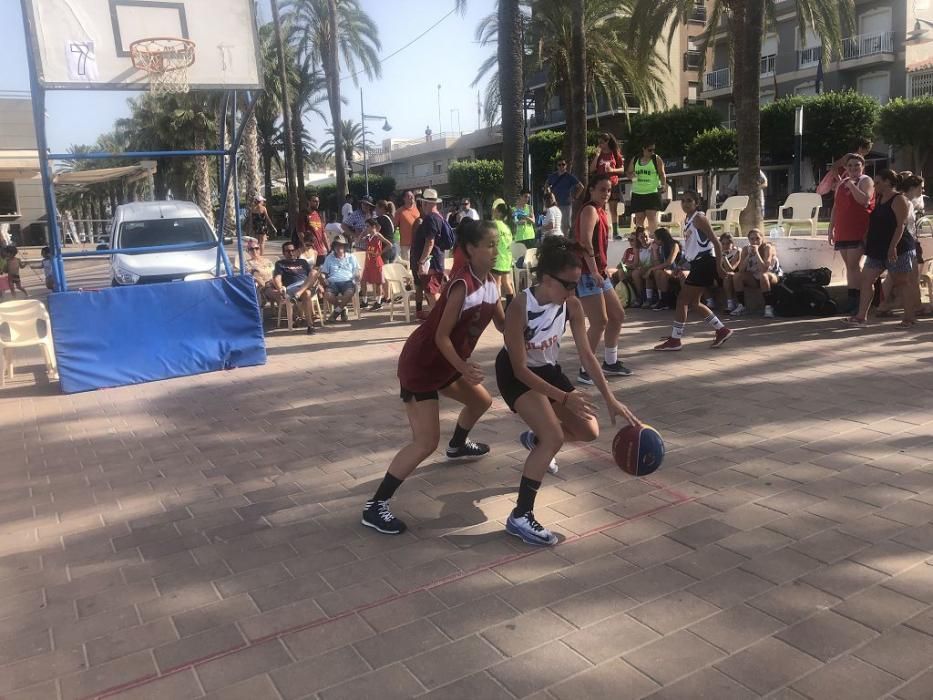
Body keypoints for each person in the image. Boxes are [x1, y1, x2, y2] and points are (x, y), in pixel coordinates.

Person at [362, 219, 505, 535]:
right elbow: (441, 337)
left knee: (481, 401)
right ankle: (375, 506)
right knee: (426, 442)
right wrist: (464, 367)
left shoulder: (492, 283)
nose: (497, 250)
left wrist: (534, 320)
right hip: (422, 365)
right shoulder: (461, 285)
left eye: (497, 244)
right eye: (491, 245)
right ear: (470, 249)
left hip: (447, 365)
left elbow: (504, 326)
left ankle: (457, 446)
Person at [497, 235, 635, 545]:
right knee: (555, 437)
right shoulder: (521, 305)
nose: (575, 292)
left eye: (577, 285)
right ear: (547, 279)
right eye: (569, 285)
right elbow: (520, 368)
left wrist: (610, 398)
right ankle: (520, 516)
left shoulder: (570, 305)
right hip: (517, 374)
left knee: (589, 431)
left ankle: (535, 439)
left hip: (547, 371)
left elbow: (587, 354)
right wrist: (565, 397)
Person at [655, 191, 733, 351]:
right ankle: (721, 330)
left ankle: (675, 340)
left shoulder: (699, 218)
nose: (685, 204)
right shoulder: (688, 220)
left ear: (697, 203)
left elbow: (716, 243)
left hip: (705, 263)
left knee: (682, 301)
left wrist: (719, 267)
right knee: (694, 302)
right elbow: (692, 248)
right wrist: (681, 265)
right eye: (682, 201)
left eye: (689, 201)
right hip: (697, 263)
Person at [572, 173, 632, 383]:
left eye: (608, 190)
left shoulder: (601, 211)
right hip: (589, 273)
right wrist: (595, 270)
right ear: (591, 190)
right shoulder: (589, 210)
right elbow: (586, 243)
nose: (606, 193)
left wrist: (602, 269)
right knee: (599, 321)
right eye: (602, 190)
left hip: (599, 272)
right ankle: (585, 369)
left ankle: (610, 361)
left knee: (617, 315)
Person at [845, 170, 916, 328]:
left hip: (898, 247)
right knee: (866, 279)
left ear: (888, 182)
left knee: (901, 282)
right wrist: (866, 237)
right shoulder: (879, 198)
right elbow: (875, 220)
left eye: (877, 182)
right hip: (877, 248)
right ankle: (861, 316)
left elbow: (900, 226)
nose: (874, 186)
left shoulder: (899, 199)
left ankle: (909, 317)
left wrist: (893, 247)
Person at [828, 153, 874, 314]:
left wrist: (853, 186)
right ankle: (852, 298)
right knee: (849, 267)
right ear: (846, 167)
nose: (853, 168)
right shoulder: (841, 183)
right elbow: (836, 207)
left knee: (854, 265)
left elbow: (864, 200)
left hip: (858, 229)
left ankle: (860, 300)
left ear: (863, 166)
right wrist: (831, 227)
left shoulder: (866, 181)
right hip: (842, 229)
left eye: (857, 165)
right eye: (850, 166)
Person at [411, 188, 447, 320]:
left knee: (432, 293)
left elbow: (429, 242)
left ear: (425, 203)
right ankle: (438, 321)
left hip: (431, 263)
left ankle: (443, 321)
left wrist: (421, 262)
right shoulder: (439, 217)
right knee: (432, 291)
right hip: (437, 260)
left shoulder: (430, 218)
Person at [731, 229, 783, 318]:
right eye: (752, 239)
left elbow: (764, 269)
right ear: (748, 240)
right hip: (754, 277)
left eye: (757, 238)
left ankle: (768, 307)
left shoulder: (767, 248)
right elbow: (741, 270)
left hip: (771, 275)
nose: (755, 241)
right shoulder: (746, 249)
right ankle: (741, 306)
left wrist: (757, 253)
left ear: (762, 238)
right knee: (737, 276)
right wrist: (748, 256)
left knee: (763, 276)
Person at [272, 242, 318, 335]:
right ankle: (310, 326)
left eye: (293, 250)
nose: (291, 253)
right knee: (307, 294)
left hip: (306, 284)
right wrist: (280, 287)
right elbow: (277, 278)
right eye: (288, 251)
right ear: (283, 253)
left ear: (296, 251)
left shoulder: (303, 262)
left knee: (314, 272)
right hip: (292, 288)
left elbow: (312, 276)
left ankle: (298, 294)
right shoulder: (280, 264)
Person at [590, 134, 626, 240]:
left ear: (607, 142)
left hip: (612, 183)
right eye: (599, 142)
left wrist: (612, 170)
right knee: (601, 209)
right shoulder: (599, 155)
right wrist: (597, 155)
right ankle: (602, 231)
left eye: (602, 142)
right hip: (601, 184)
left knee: (613, 209)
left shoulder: (615, 154)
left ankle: (615, 231)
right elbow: (591, 169)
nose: (600, 145)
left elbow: (622, 169)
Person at [627, 142, 667, 235]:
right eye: (649, 150)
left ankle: (653, 239)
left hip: (652, 192)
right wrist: (632, 176)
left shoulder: (656, 159)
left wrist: (663, 185)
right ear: (643, 149)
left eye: (653, 150)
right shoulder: (635, 159)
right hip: (638, 192)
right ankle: (640, 241)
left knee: (651, 216)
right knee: (639, 218)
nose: (652, 152)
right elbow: (629, 172)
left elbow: (662, 173)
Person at [319, 234, 360, 323]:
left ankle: (335, 313)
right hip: (333, 282)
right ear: (334, 246)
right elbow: (324, 272)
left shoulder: (351, 257)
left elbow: (357, 270)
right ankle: (342, 309)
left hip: (347, 281)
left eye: (341, 245)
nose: (339, 247)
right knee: (327, 295)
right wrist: (322, 278)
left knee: (349, 293)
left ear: (345, 246)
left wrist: (357, 276)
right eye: (337, 245)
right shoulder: (329, 258)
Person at [359, 218, 393, 310]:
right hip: (368, 262)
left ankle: (378, 302)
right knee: (363, 281)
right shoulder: (368, 236)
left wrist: (380, 253)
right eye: (365, 226)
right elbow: (358, 242)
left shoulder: (378, 235)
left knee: (378, 283)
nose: (366, 228)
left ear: (373, 226)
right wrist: (362, 233)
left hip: (376, 262)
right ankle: (365, 301)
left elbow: (390, 244)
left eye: (367, 226)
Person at [647, 227, 682, 311]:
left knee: (659, 272)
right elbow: (657, 264)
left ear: (661, 238)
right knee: (658, 272)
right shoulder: (661, 247)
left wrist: (651, 269)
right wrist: (654, 251)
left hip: (678, 269)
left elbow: (669, 262)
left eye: (655, 238)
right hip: (668, 270)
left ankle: (665, 301)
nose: (653, 240)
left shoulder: (674, 245)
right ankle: (662, 299)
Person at [545, 160, 584, 235]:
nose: (561, 166)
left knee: (566, 224)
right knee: (555, 223)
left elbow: (581, 187)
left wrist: (575, 197)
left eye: (563, 164)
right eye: (559, 165)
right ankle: (556, 240)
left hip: (566, 204)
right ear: (557, 166)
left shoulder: (569, 176)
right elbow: (546, 185)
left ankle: (565, 240)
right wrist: (549, 194)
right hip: (554, 204)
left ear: (566, 165)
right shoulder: (553, 176)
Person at [623, 229, 654, 308]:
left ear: (649, 235)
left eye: (645, 236)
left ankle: (649, 299)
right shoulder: (637, 248)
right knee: (634, 273)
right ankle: (640, 297)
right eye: (641, 237)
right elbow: (636, 263)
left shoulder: (653, 244)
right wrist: (627, 266)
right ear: (638, 238)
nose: (644, 239)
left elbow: (655, 261)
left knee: (643, 273)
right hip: (643, 268)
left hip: (653, 267)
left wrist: (645, 268)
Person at [492, 202, 515, 308]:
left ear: (498, 212)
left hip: (497, 258)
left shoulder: (494, 224)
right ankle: (510, 307)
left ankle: (498, 309)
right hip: (506, 259)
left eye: (495, 211)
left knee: (496, 284)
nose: (493, 212)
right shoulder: (507, 228)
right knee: (506, 283)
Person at [717, 233, 742, 312]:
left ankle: (730, 304)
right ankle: (709, 301)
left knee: (727, 275)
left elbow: (731, 269)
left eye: (728, 243)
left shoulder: (737, 251)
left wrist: (724, 257)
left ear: (732, 243)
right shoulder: (717, 252)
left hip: (733, 275)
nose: (725, 246)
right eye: (723, 244)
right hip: (720, 274)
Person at [303, 194, 329, 266]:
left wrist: (328, 248)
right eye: (314, 201)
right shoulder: (303, 215)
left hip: (321, 252)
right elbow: (300, 233)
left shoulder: (318, 215)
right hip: (310, 251)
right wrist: (307, 248)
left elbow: (323, 233)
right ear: (309, 202)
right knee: (311, 272)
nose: (317, 203)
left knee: (320, 273)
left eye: (318, 201)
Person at [394, 190, 420, 261]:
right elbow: (394, 226)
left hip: (417, 242)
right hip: (405, 243)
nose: (411, 197)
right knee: (407, 264)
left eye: (412, 196)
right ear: (404, 199)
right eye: (409, 196)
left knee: (416, 263)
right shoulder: (399, 211)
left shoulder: (418, 209)